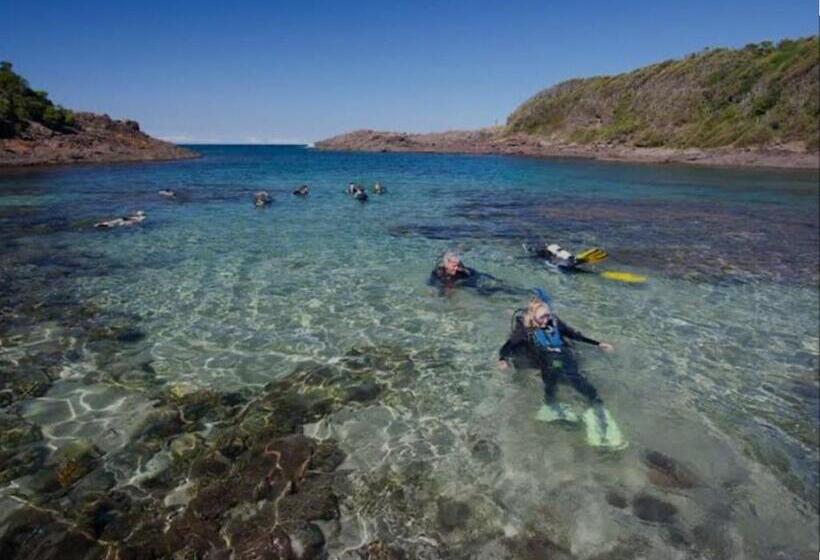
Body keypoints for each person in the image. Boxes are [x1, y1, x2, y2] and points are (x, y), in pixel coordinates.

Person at [496, 290, 627, 450]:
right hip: (546, 360)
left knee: (575, 377)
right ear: (533, 317)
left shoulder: (554, 322)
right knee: (551, 374)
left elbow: (573, 334)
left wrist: (598, 343)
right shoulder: (524, 331)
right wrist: (502, 360)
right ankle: (550, 403)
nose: (547, 320)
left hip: (561, 355)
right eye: (543, 317)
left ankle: (596, 404)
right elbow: (508, 346)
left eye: (548, 315)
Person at [428, 251, 519, 297]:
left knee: (490, 290)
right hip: (461, 283)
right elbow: (431, 284)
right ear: (446, 264)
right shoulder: (438, 272)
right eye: (453, 266)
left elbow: (475, 274)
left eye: (457, 265)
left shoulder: (462, 270)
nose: (456, 268)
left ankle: (517, 291)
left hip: (471, 279)